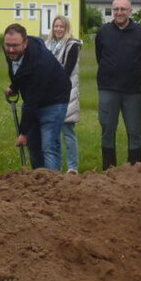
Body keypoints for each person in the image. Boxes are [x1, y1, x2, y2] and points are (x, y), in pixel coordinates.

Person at [3, 23, 71, 170]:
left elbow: (32, 101)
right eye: (7, 45)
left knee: (49, 145)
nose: (10, 50)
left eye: (14, 46)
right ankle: (37, 179)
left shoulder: (40, 62)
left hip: (55, 100)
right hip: (34, 98)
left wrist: (23, 133)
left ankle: (52, 181)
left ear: (25, 43)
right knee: (33, 145)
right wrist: (14, 86)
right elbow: (17, 69)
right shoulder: (10, 50)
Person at [94, 0, 141, 169]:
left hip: (133, 90)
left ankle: (135, 169)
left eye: (123, 9)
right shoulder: (103, 32)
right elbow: (99, 56)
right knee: (107, 130)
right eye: (116, 9)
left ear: (130, 11)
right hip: (108, 88)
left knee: (134, 131)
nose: (119, 12)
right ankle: (109, 170)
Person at [46, 15, 83, 173]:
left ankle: (72, 167)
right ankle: (55, 167)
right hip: (49, 95)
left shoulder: (72, 45)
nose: (58, 29)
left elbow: (66, 71)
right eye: (56, 26)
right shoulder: (47, 45)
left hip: (66, 94)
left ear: (66, 28)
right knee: (52, 134)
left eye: (61, 26)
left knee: (68, 133)